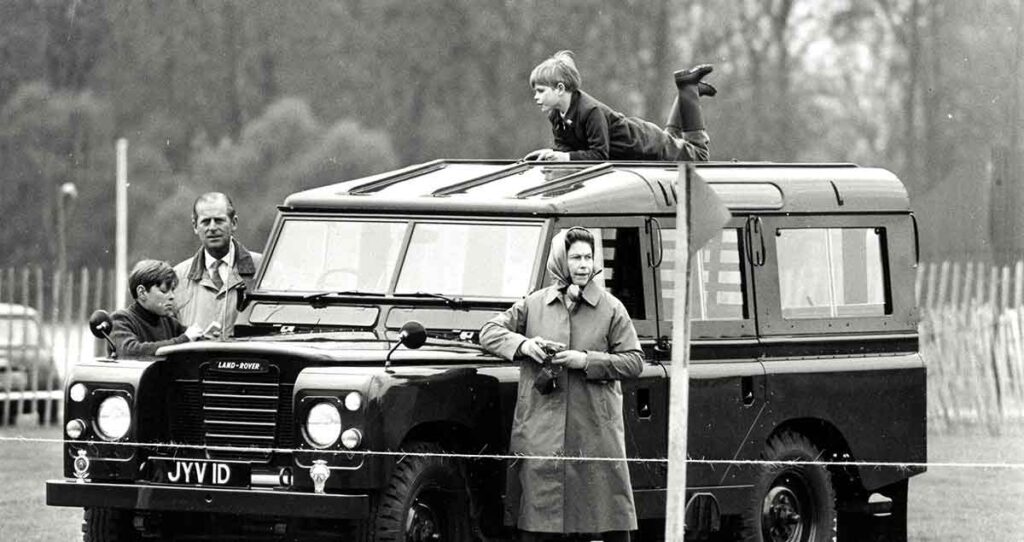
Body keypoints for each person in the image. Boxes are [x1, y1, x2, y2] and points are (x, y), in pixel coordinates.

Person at [479, 227, 644, 542]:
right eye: (575, 258)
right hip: (541, 433)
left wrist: (586, 360)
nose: (583, 265)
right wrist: (525, 345)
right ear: (560, 260)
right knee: (540, 519)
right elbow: (488, 331)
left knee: (600, 516)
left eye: (588, 257)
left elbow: (634, 361)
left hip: (593, 432)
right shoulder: (535, 304)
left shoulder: (611, 308)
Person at [524, 50, 715, 163]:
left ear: (559, 89)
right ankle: (688, 93)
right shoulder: (556, 115)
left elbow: (599, 154)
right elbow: (565, 147)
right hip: (643, 141)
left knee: (698, 156)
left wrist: (563, 158)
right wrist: (551, 155)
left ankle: (688, 86)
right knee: (672, 139)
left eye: (541, 91)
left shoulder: (590, 111)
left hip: (645, 144)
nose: (536, 97)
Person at [173, 192, 263, 338]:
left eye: (219, 220)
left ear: (233, 223)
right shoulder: (177, 277)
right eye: (206, 222)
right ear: (195, 226)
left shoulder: (264, 270)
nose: (212, 227)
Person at [110, 260, 204, 357]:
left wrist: (204, 337)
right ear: (142, 292)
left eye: (172, 290)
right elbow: (128, 351)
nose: (172, 296)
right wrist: (184, 340)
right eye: (164, 291)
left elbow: (192, 338)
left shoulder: (170, 322)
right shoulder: (120, 320)